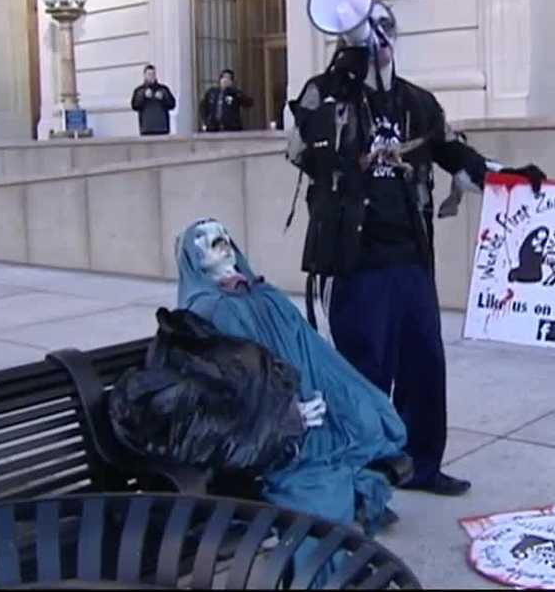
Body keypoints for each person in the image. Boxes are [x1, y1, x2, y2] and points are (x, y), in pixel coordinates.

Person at [287, 0, 547, 497]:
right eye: (368, 27)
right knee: (365, 371)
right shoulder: (325, 94)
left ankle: (421, 465)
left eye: (386, 26)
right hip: (356, 259)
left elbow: (452, 150)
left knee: (424, 364)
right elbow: (301, 152)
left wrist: (501, 176)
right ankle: (365, 478)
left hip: (410, 254)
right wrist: (338, 85)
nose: (379, 37)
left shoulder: (417, 102)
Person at [173, 218, 408, 534]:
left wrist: (343, 391)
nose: (223, 241)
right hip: (269, 423)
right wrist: (286, 412)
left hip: (309, 398)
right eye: (210, 240)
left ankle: (356, 492)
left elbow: (312, 349)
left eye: (224, 234)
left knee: (368, 416)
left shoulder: (264, 293)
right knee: (316, 477)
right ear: (194, 257)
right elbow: (236, 379)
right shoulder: (210, 309)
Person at [131, 64, 176, 135]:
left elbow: (172, 105)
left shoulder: (163, 89)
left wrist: (163, 98)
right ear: (145, 75)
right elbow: (135, 106)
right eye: (149, 74)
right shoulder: (139, 90)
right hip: (146, 129)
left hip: (162, 128)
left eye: (153, 74)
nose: (151, 76)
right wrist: (143, 96)